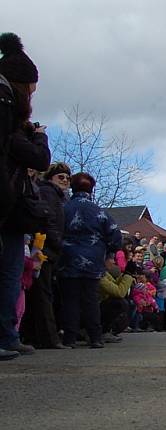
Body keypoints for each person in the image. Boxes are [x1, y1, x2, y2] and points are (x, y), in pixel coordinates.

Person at [0, 33, 50, 360]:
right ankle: (5, 335)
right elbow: (39, 160)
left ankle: (7, 334)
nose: (33, 93)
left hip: (11, 206)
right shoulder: (6, 109)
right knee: (7, 271)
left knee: (11, 271)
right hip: (7, 203)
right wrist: (40, 139)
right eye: (31, 86)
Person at [58, 173, 122, 348]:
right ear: (91, 189)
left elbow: (54, 229)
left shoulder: (64, 208)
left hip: (67, 259)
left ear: (72, 187)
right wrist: (108, 253)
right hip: (93, 261)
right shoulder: (100, 212)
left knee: (70, 299)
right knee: (90, 299)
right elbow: (116, 236)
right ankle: (95, 337)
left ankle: (69, 338)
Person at [19, 163, 70, 349]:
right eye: (61, 177)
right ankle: (49, 338)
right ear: (51, 178)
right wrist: (55, 242)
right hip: (43, 249)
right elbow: (47, 220)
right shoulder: (49, 193)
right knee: (43, 293)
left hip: (48, 248)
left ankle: (33, 335)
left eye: (67, 177)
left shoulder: (57, 196)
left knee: (39, 293)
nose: (65, 180)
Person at [99, 254, 133, 343]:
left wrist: (123, 276)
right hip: (93, 307)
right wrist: (128, 277)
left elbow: (115, 284)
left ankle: (107, 331)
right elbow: (119, 292)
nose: (114, 262)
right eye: (111, 259)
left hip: (98, 305)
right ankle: (103, 331)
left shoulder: (104, 273)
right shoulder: (99, 275)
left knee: (126, 305)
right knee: (119, 303)